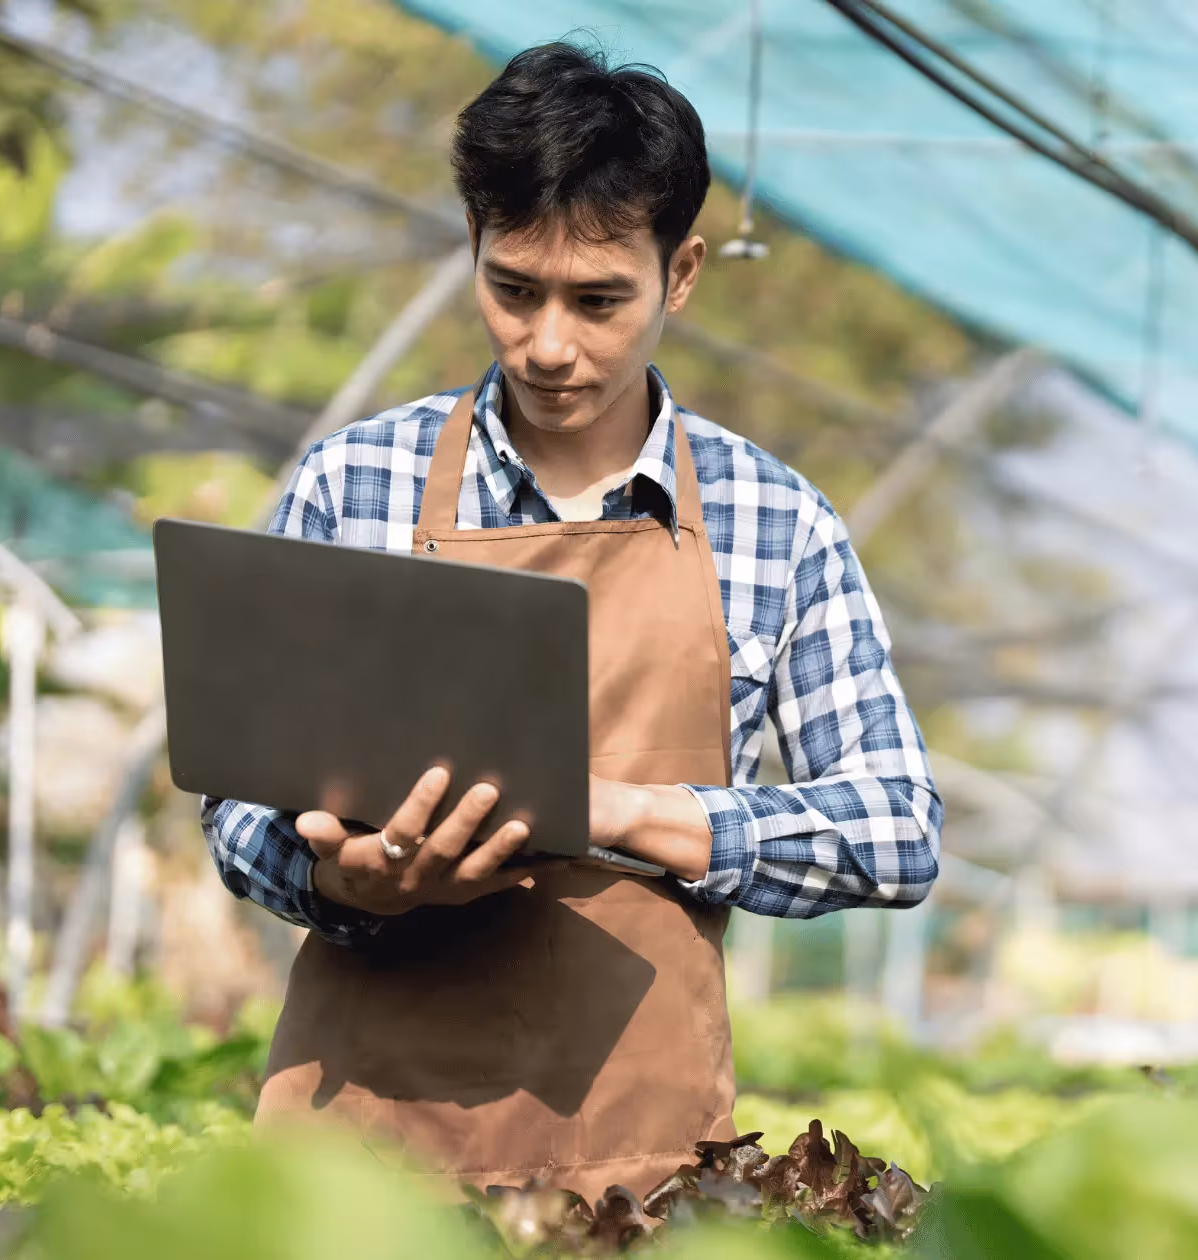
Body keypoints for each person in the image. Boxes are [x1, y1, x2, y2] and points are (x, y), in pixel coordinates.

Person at [200, 42, 941, 1199]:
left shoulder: (774, 521)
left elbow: (897, 829)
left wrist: (632, 815)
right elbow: (238, 804)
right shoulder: (355, 482)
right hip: (354, 1163)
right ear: (472, 247)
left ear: (680, 273)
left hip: (634, 1163)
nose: (550, 345)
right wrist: (348, 882)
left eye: (599, 301)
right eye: (514, 289)